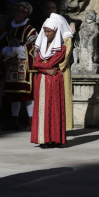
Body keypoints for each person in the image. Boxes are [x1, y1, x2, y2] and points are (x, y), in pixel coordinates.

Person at [30, 17, 66, 149]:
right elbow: (35, 63)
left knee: (54, 108)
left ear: (56, 31)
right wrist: (46, 70)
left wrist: (42, 67)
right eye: (45, 31)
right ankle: (43, 138)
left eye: (49, 32)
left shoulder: (61, 48)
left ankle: (55, 138)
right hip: (43, 79)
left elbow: (50, 63)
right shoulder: (42, 47)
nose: (46, 34)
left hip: (54, 80)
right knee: (42, 108)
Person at [1, 2, 37, 131]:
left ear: (25, 14)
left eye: (18, 12)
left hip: (24, 66)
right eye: (15, 11)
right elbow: (3, 42)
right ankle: (14, 121)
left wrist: (17, 50)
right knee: (13, 94)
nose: (15, 14)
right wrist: (6, 50)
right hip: (11, 66)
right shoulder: (10, 29)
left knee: (27, 94)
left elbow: (32, 48)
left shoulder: (30, 30)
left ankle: (31, 121)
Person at [50, 12, 74, 131]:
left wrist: (57, 67)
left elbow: (66, 55)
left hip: (61, 70)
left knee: (63, 96)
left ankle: (64, 125)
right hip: (50, 70)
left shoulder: (66, 37)